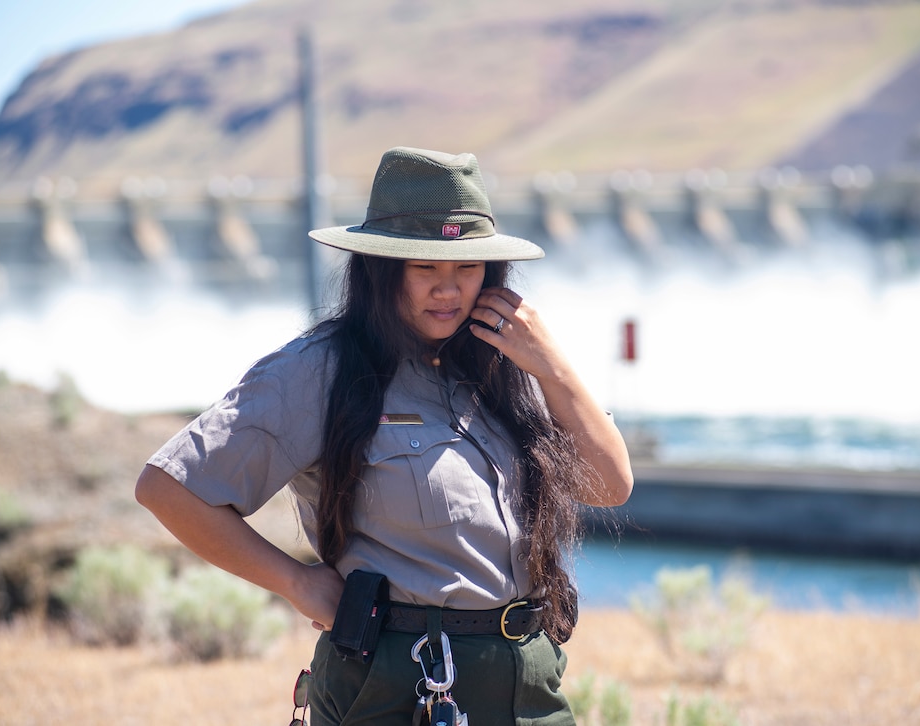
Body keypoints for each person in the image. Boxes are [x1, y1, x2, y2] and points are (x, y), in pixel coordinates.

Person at [135, 146, 634, 725]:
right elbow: (168, 488)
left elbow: (610, 484)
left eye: (466, 269)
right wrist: (296, 581)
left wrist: (552, 365)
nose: (448, 291)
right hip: (399, 689)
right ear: (380, 268)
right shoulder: (320, 369)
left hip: (530, 685)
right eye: (426, 269)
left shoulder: (508, 366)